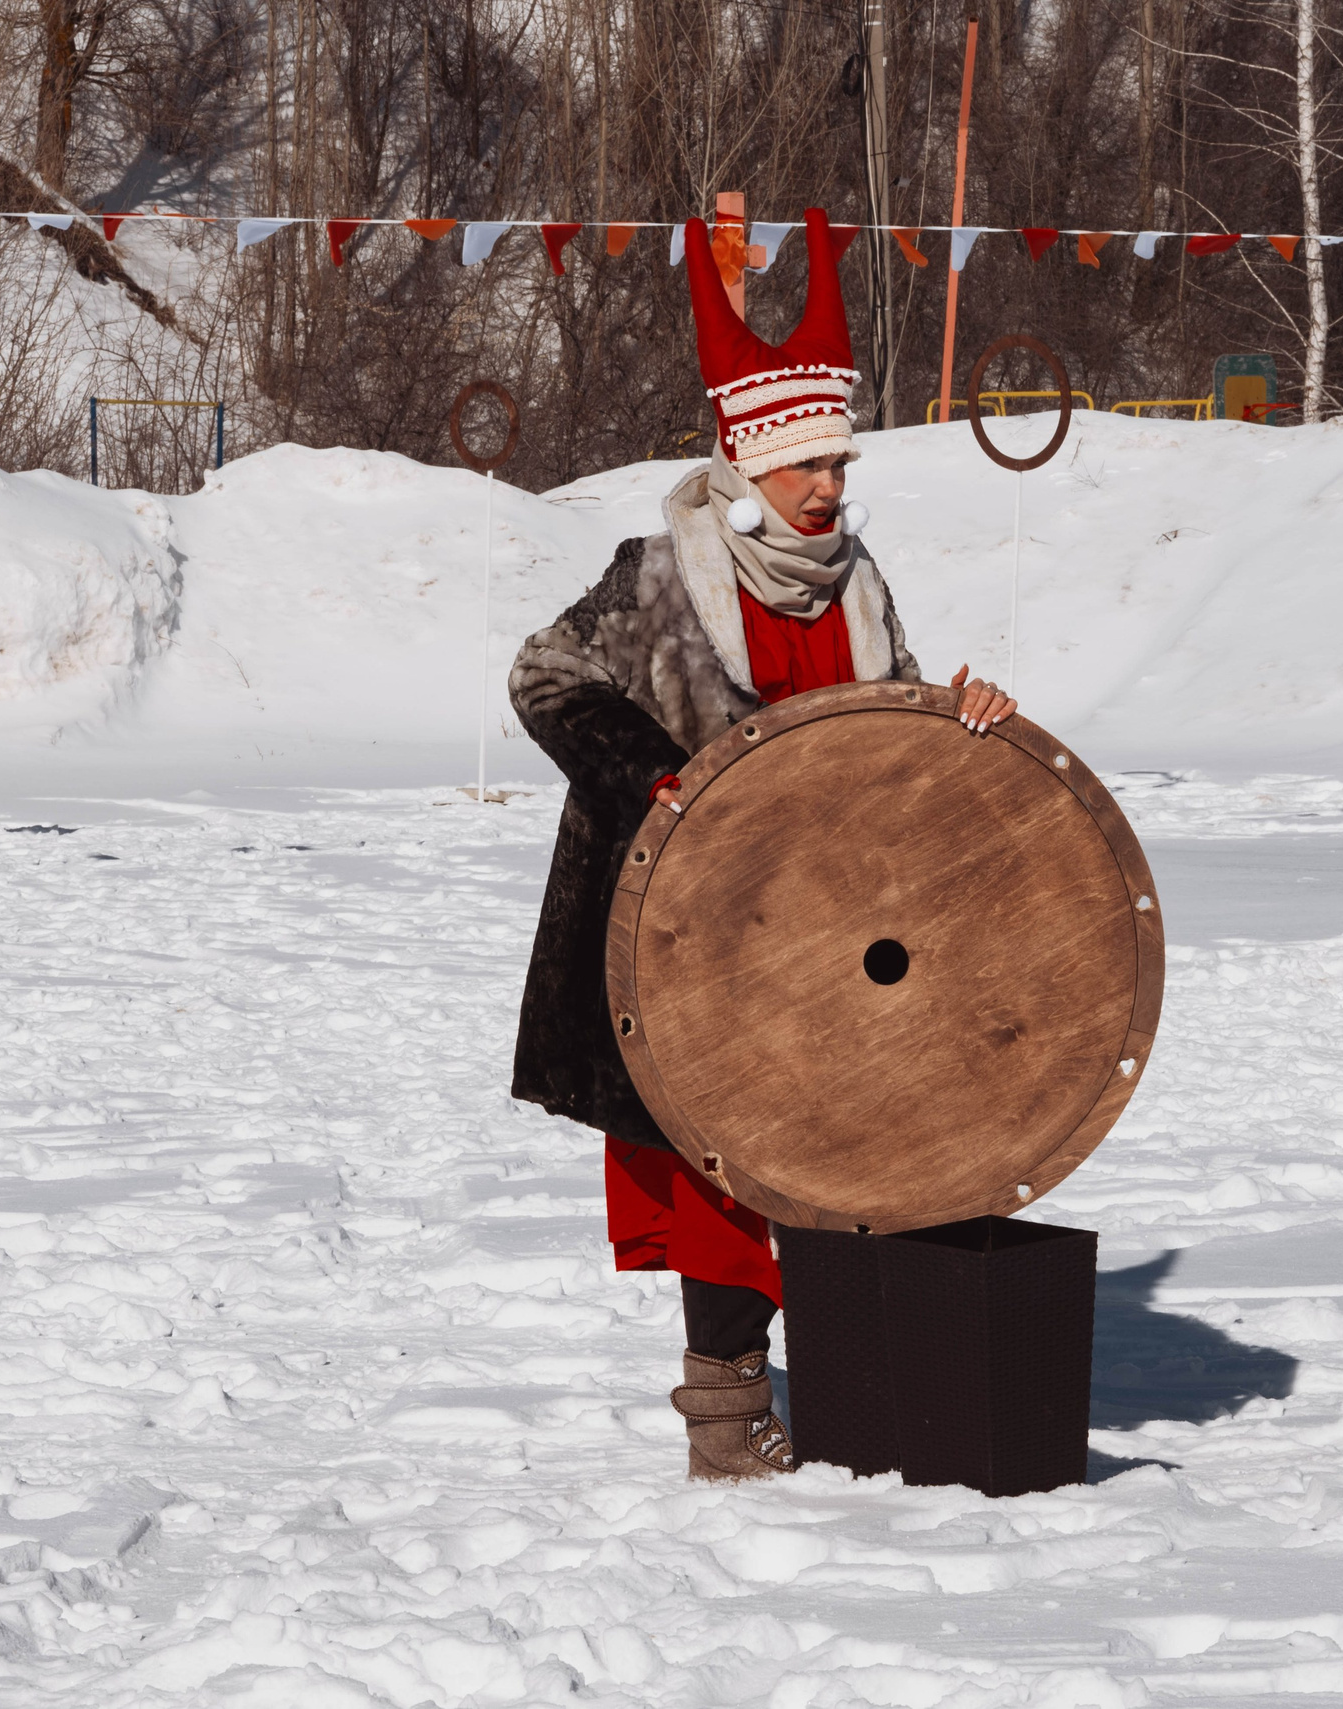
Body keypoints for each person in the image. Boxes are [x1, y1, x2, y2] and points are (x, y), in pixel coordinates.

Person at [506, 207, 1018, 1482]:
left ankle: (864, 1381)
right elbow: (543, 676)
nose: (829, 489)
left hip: (832, 917)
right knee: (721, 1165)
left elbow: (883, 719)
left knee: (850, 1142)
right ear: (747, 464)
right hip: (696, 922)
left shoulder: (855, 581)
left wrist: (956, 717)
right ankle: (726, 1414)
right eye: (807, 470)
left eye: (839, 468)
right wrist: (665, 783)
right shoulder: (660, 576)